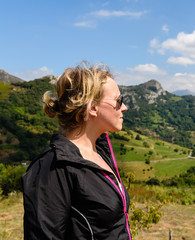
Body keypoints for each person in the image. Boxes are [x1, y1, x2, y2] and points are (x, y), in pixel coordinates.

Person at [22, 62, 132, 239]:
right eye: (118, 101)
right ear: (93, 108)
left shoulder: (100, 152)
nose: (124, 107)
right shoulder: (53, 166)